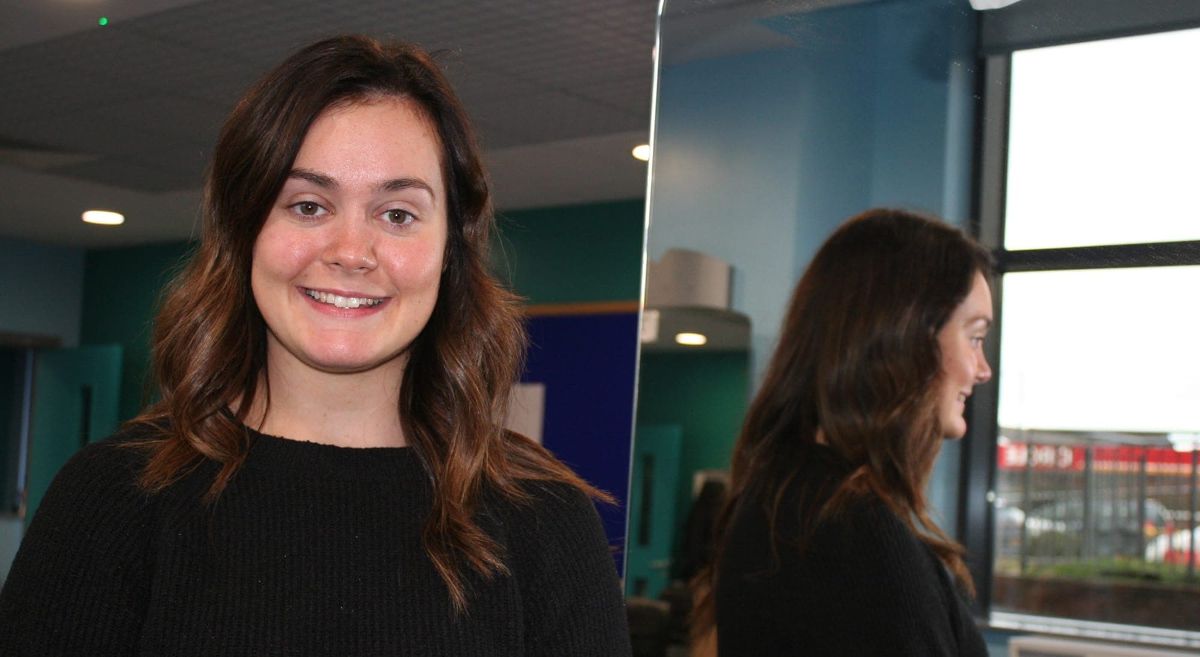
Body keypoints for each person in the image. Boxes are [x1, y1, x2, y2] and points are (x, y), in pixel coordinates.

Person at [0, 35, 632, 656]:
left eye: (398, 214)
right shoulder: (115, 497)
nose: (351, 253)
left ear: (451, 251)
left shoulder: (544, 520)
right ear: (246, 230)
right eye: (307, 205)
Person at [691, 209, 993, 656]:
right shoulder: (857, 537)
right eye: (974, 336)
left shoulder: (786, 499)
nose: (982, 369)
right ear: (905, 335)